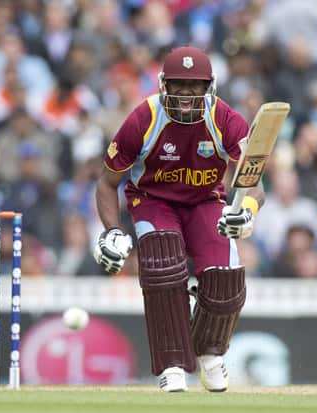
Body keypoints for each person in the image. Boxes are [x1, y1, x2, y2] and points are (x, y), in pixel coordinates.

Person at [93, 46, 264, 392]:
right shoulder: (143, 119)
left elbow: (253, 184)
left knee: (226, 280)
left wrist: (246, 211)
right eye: (179, 84)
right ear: (164, 85)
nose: (187, 93)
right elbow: (107, 182)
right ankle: (171, 364)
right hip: (153, 200)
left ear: (209, 87)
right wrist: (111, 230)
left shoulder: (227, 120)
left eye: (195, 85)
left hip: (206, 201)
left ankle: (209, 353)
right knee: (162, 268)